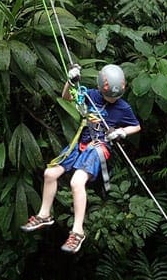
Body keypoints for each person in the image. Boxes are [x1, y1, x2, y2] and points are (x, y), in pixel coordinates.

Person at [20, 64, 141, 253]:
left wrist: (120, 132)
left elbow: (136, 126)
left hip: (99, 147)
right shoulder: (91, 95)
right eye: (109, 96)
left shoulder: (123, 107)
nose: (111, 100)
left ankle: (77, 232)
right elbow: (67, 97)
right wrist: (71, 81)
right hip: (81, 143)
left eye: (114, 97)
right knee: (50, 173)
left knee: (77, 182)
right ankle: (44, 215)